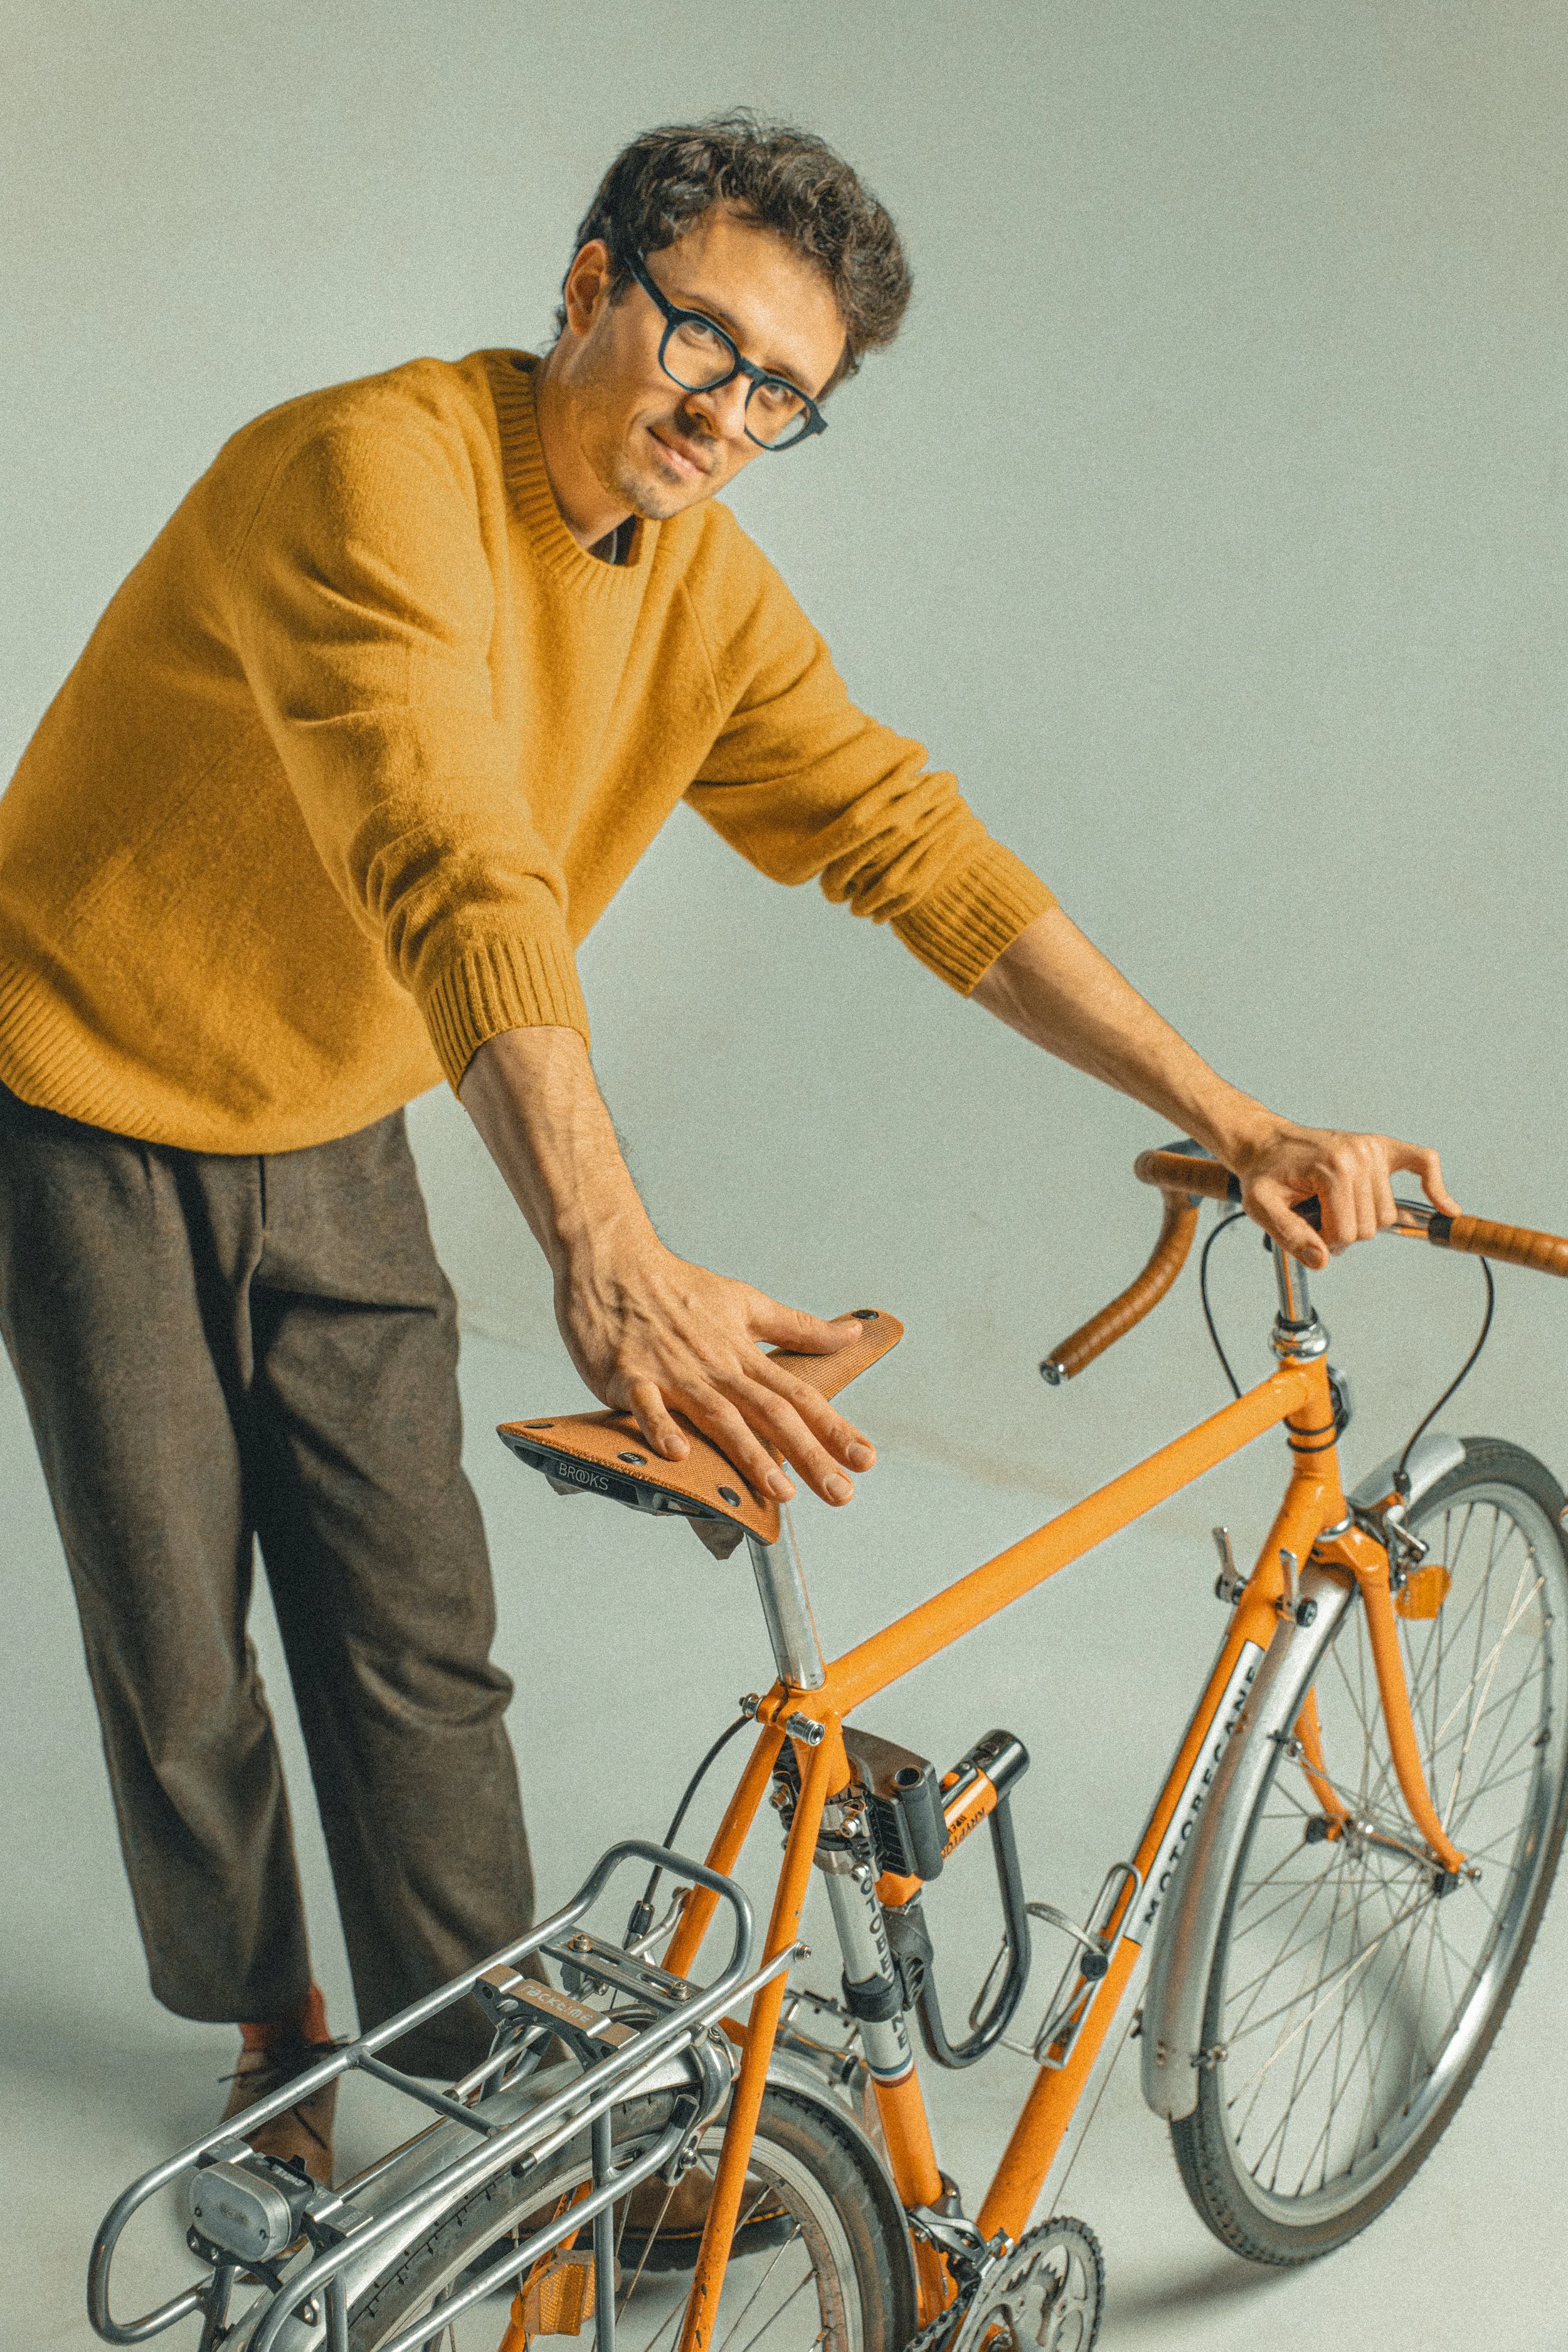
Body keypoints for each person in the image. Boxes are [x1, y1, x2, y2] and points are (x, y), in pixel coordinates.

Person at [0, 114, 1455, 2190]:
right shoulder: (366, 474)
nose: (729, 410)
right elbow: (452, 860)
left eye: (785, 392)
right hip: (76, 1080)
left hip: (334, 1103)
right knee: (175, 1652)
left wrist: (1223, 1112)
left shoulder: (702, 595)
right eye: (705, 337)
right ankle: (277, 2030)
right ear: (588, 284)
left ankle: (508, 2075)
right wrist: (607, 1250)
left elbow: (909, 842)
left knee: (413, 1623)